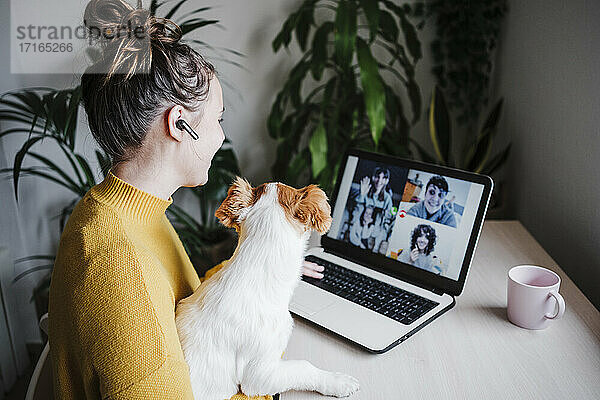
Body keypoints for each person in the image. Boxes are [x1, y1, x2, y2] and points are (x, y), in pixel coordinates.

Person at [47, 1, 322, 399]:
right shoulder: (118, 265)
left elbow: (183, 300)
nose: (221, 137)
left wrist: (265, 269)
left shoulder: (119, 213)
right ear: (179, 124)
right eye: (217, 119)